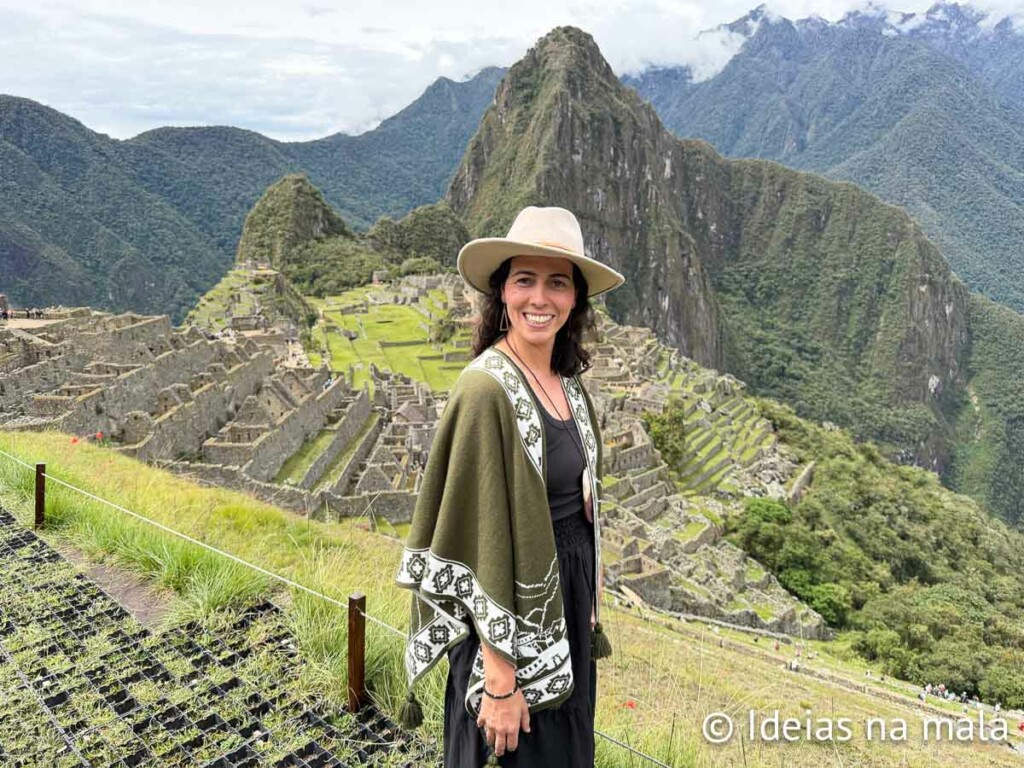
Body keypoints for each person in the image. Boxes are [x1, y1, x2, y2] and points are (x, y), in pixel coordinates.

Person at [395, 206, 625, 767]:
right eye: (525, 280)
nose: (539, 298)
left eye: (557, 282)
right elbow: (477, 542)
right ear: (502, 293)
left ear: (575, 300)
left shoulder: (567, 385)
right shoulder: (484, 393)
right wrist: (500, 680)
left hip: (563, 612)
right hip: (508, 626)